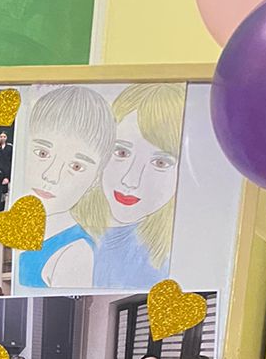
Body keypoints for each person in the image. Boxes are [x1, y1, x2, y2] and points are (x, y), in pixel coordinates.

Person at [75, 82, 184, 289]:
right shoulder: (61, 224)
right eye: (122, 152)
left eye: (160, 163)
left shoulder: (167, 263)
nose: (131, 180)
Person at [15, 87, 115, 288]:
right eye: (42, 153)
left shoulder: (74, 251)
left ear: (96, 179)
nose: (51, 176)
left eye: (76, 166)